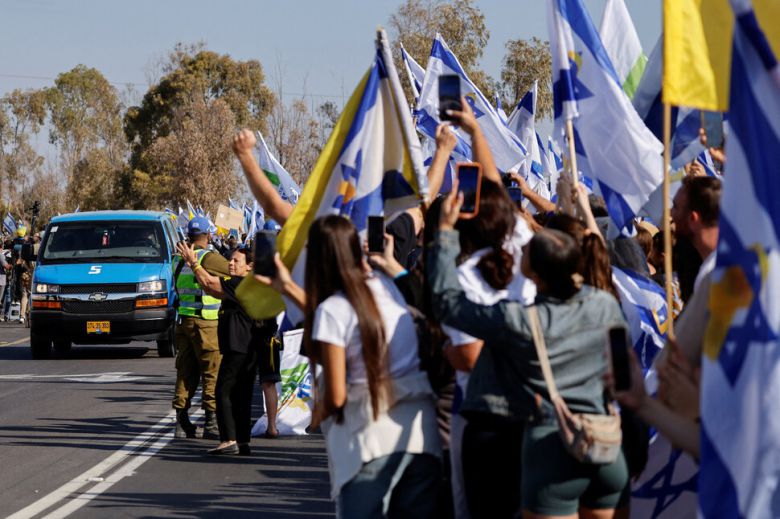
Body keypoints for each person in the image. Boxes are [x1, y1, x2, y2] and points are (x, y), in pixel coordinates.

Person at [428, 186, 630, 518]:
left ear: (532, 273)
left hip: (552, 448)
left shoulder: (521, 321)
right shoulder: (606, 306)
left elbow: (448, 304)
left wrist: (445, 234)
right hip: (607, 446)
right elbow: (625, 380)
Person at [256, 215, 442, 518]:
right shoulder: (388, 288)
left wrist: (318, 414)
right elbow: (346, 315)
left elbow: (336, 396)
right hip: (420, 437)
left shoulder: (334, 310)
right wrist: (287, 287)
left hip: (367, 444)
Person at [176, 241, 276, 455]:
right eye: (230, 259)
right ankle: (242, 441)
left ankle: (229, 439)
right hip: (250, 348)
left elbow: (210, 283)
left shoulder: (240, 283)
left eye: (236, 261)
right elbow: (213, 290)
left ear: (249, 266)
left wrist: (194, 263)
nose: (230, 263)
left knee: (224, 391)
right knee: (242, 394)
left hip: (238, 347)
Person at [171, 216, 230, 439]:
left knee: (185, 372)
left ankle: (181, 422)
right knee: (212, 371)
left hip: (184, 322)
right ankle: (211, 422)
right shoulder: (208, 258)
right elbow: (234, 273)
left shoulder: (177, 259)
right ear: (208, 235)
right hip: (206, 323)